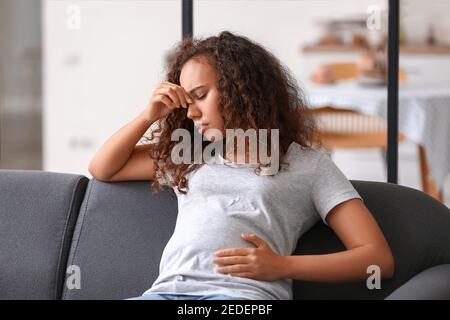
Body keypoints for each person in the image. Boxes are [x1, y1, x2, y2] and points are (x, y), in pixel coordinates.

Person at [88, 31, 395, 300]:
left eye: (201, 96)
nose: (192, 113)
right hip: (167, 293)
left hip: (242, 298)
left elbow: (377, 259)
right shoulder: (189, 153)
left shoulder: (309, 166)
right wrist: (147, 116)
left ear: (240, 89)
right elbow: (104, 168)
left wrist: (282, 266)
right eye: (187, 103)